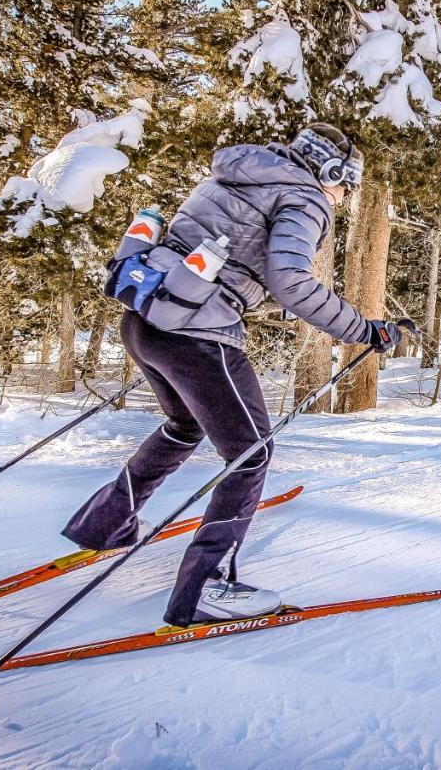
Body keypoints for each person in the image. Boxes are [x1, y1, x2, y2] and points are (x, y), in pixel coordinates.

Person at [62, 123, 406, 628]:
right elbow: (290, 281)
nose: (342, 197)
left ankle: (105, 525)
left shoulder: (238, 174)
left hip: (145, 320)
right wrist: (366, 330)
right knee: (250, 454)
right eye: (345, 185)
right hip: (197, 336)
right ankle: (204, 590)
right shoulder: (305, 198)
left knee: (184, 426)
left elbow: (235, 258)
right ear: (329, 173)